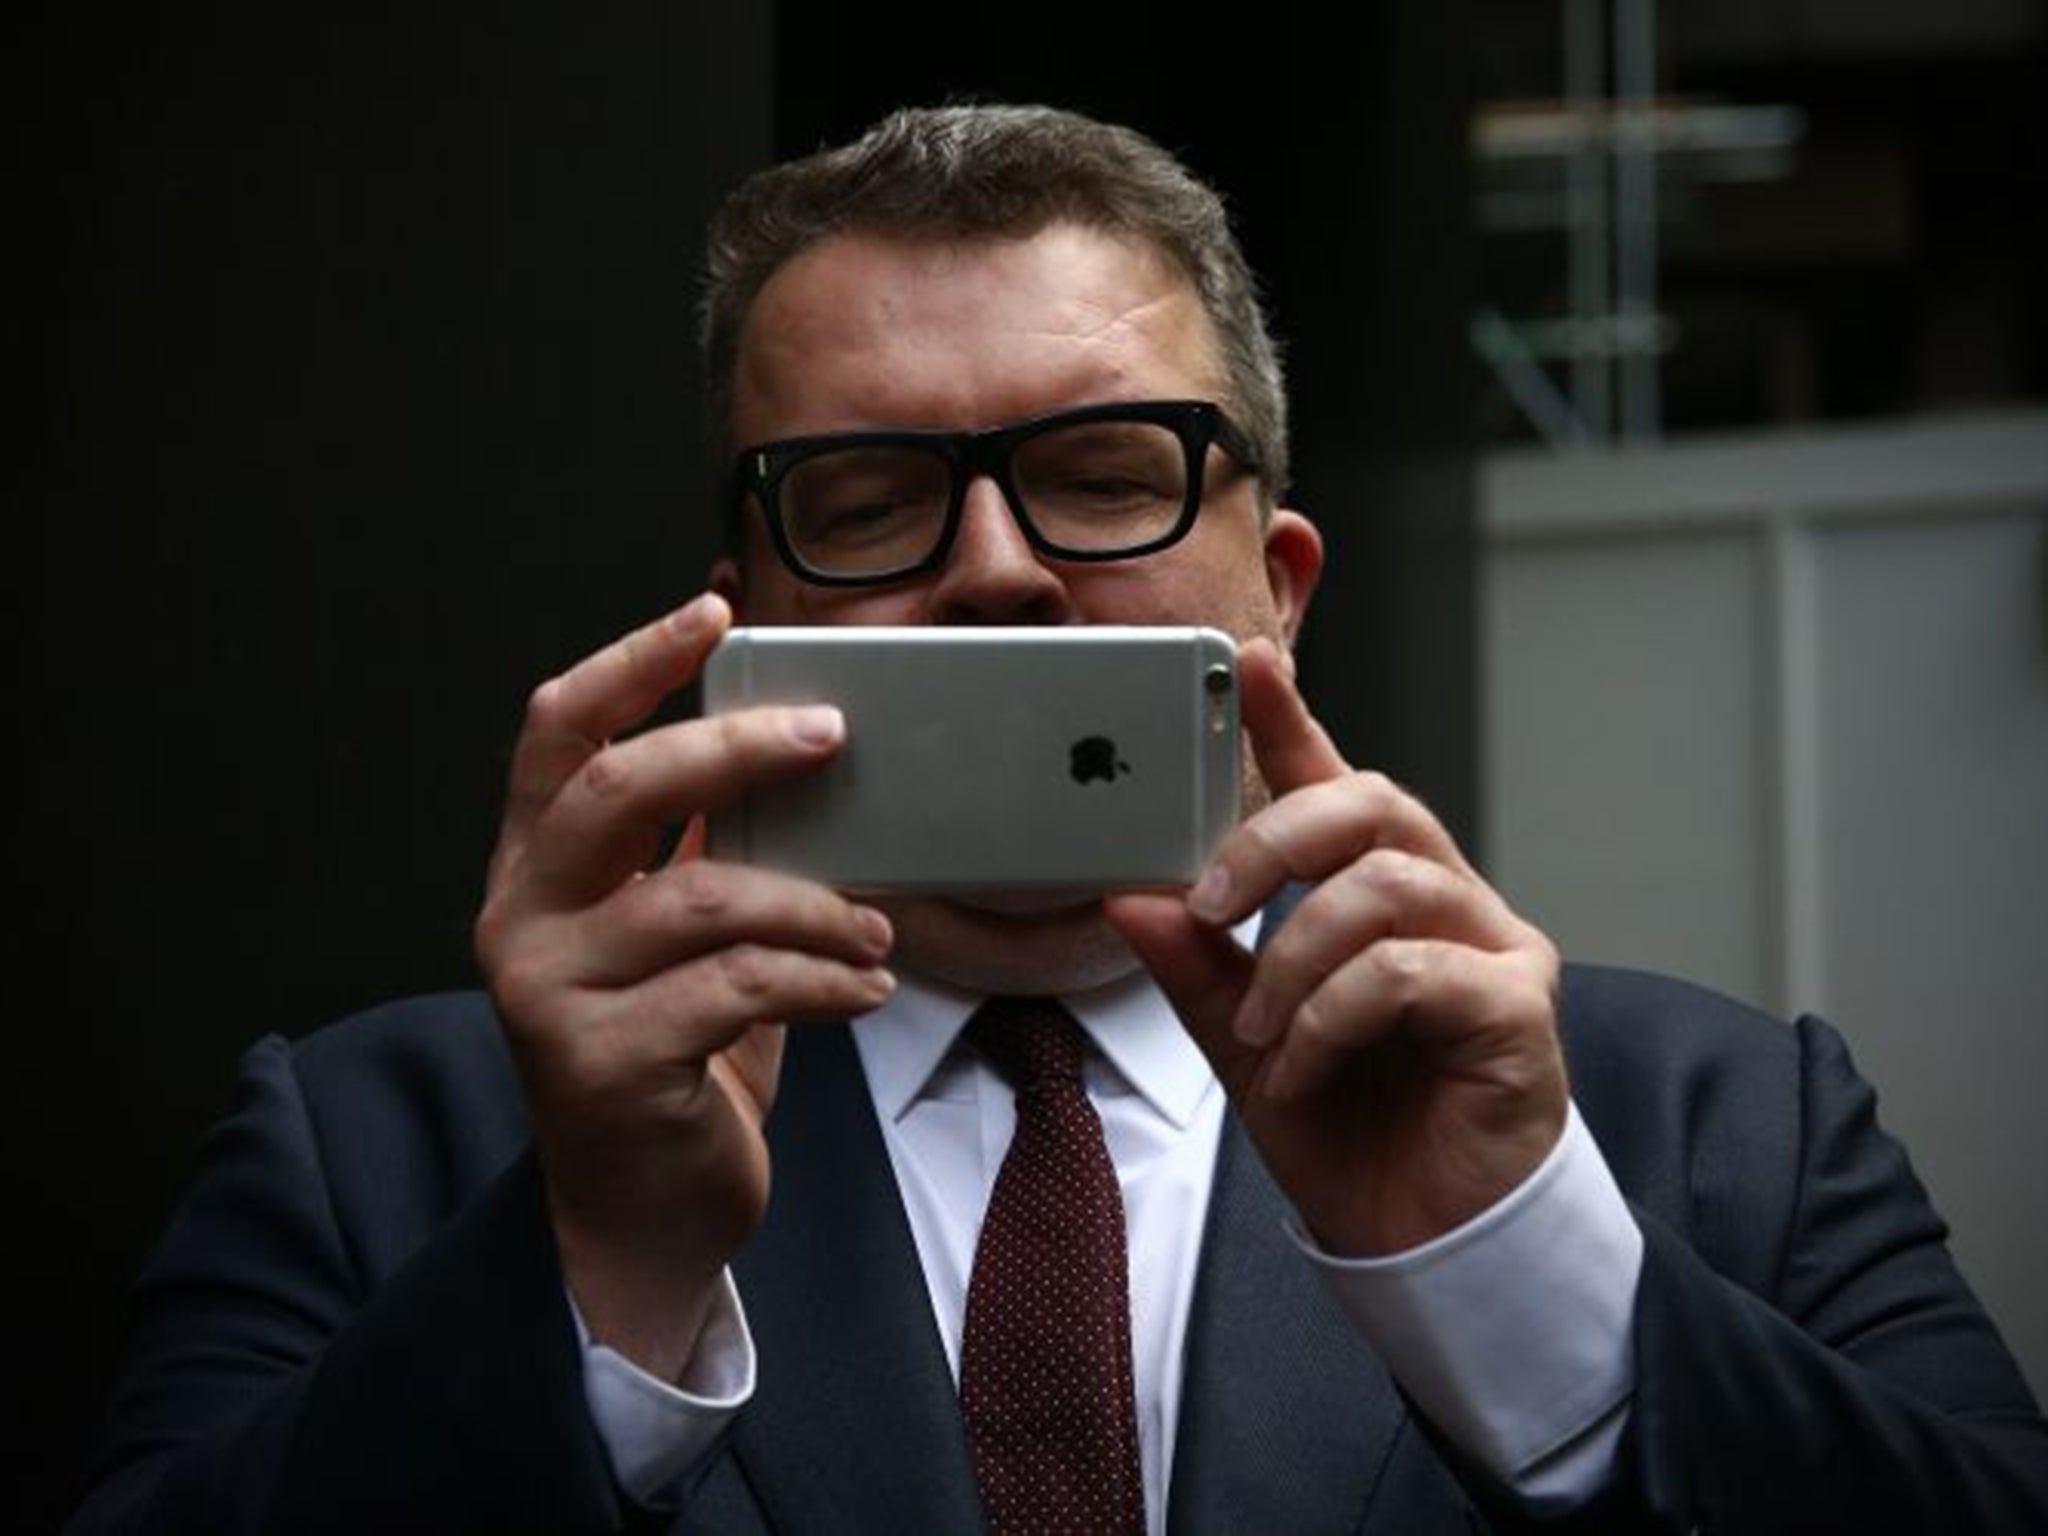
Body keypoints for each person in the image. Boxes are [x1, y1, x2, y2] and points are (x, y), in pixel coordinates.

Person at [72, 104, 2048, 1536]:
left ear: (1276, 577)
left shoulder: (1712, 1131)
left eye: (1109, 473)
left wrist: (1515, 1275)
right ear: (739, 613)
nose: (1000, 571)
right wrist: (596, 1283)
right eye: (865, 501)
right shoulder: (388, 1147)